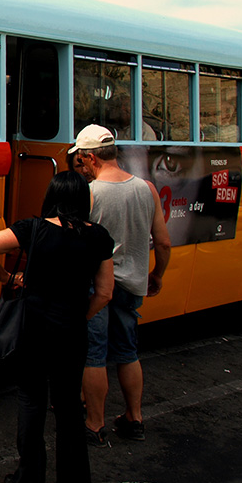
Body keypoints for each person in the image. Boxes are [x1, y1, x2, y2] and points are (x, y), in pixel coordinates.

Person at [0, 171, 114, 483]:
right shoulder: (99, 238)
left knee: (32, 402)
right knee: (68, 409)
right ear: (84, 199)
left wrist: (8, 277)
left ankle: (30, 482)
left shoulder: (34, 229)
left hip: (33, 331)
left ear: (51, 196)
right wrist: (80, 316)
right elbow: (106, 292)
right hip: (71, 334)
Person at [71, 124, 171, 445]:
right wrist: (157, 275)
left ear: (91, 158)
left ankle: (94, 423)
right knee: (128, 351)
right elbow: (164, 243)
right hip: (132, 285)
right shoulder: (146, 189)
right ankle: (134, 418)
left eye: (81, 161)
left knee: (94, 354)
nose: (81, 167)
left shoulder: (89, 194)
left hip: (95, 287)